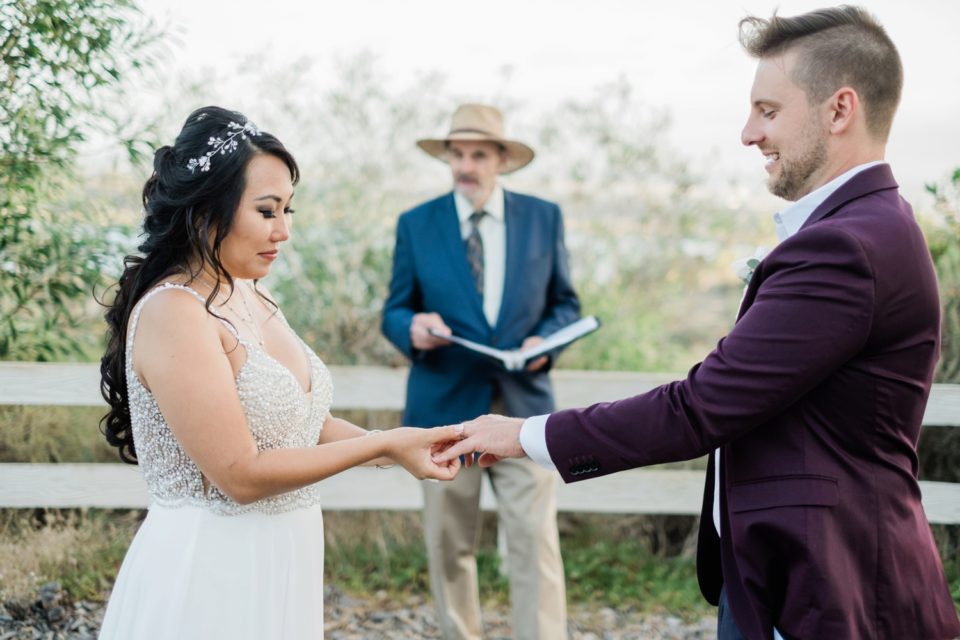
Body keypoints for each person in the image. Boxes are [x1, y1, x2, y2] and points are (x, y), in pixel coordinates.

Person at [436, 7, 960, 640]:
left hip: (831, 584)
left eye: (767, 111)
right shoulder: (868, 228)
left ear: (839, 109)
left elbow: (700, 408)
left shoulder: (846, 247)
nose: (747, 133)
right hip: (788, 570)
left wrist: (523, 435)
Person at [97, 106, 462, 639]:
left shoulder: (252, 293)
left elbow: (302, 422)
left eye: (289, 210)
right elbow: (240, 475)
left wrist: (405, 447)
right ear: (206, 211)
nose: (284, 231)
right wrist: (384, 445)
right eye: (267, 211)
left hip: (284, 555)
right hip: (210, 568)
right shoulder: (175, 312)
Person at [381, 103, 578, 639]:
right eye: (457, 155)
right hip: (444, 412)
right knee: (449, 547)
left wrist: (546, 340)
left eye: (478, 155)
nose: (466, 166)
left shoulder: (544, 218)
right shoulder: (416, 224)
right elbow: (394, 309)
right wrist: (412, 326)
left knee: (534, 545)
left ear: (501, 160)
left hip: (524, 412)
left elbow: (565, 303)